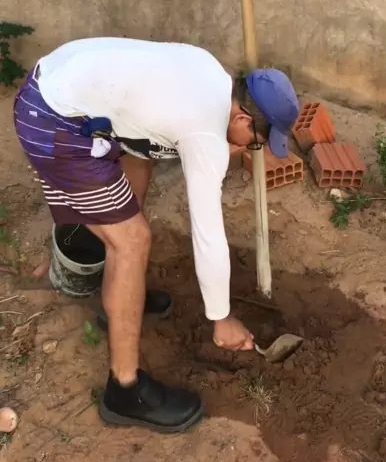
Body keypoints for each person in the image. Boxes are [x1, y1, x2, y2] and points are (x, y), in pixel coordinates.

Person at [13, 37, 300, 434]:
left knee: (141, 158)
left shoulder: (212, 73)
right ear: (244, 118)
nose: (254, 149)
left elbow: (150, 137)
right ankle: (125, 391)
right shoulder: (205, 135)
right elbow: (208, 233)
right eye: (257, 142)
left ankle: (121, 299)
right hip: (53, 120)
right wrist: (221, 317)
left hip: (56, 82)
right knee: (132, 241)